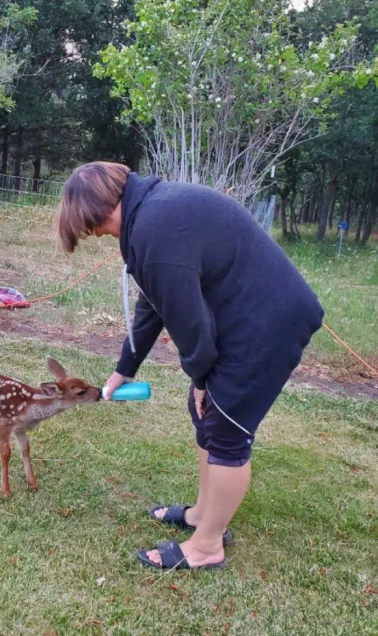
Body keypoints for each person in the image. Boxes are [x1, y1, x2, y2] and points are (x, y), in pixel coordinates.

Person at [57, 162, 324, 571]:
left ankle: (207, 546)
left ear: (98, 212)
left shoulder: (153, 228)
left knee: (226, 430)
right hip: (247, 317)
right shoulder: (149, 213)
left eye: (91, 229)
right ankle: (203, 514)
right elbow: (153, 303)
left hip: (267, 325)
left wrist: (201, 376)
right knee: (204, 414)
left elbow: (190, 323)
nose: (95, 236)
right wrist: (123, 369)